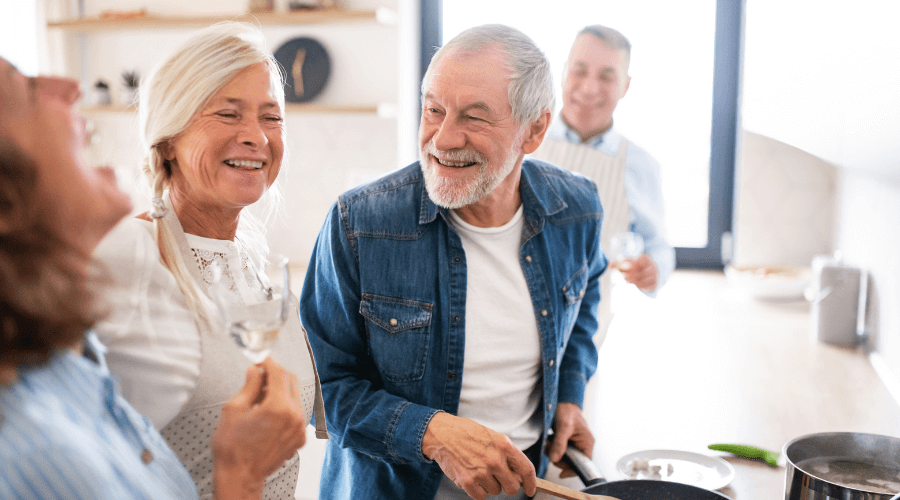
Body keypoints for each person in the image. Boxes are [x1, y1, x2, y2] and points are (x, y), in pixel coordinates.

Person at [301, 24, 606, 500]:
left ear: (536, 129)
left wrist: (569, 395)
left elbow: (584, 306)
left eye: (474, 117)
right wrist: (433, 433)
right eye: (433, 110)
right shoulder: (359, 223)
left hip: (528, 486)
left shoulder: (578, 210)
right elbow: (319, 392)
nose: (442, 139)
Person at [0, 56, 308, 499]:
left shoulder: (69, 372)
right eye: (26, 90)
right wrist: (240, 475)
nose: (69, 84)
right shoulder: (38, 453)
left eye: (272, 116)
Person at [90, 22, 328, 499]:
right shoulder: (126, 257)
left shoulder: (257, 266)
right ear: (168, 139)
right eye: (227, 114)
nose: (255, 137)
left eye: (271, 117)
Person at [548, 25, 675, 295]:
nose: (590, 87)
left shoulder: (640, 164)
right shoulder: (523, 143)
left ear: (625, 86)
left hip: (595, 320)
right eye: (579, 71)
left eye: (606, 76)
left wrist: (654, 268)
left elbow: (659, 247)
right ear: (563, 72)